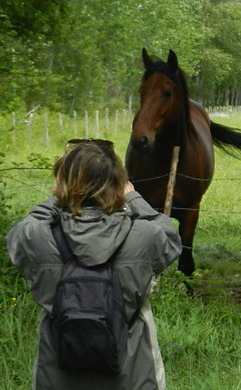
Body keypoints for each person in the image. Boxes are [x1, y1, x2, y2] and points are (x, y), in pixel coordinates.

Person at [5, 139, 182, 390]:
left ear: (62, 183)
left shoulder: (37, 238)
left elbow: (18, 234)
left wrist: (59, 198)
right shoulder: (143, 235)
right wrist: (133, 198)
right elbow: (171, 237)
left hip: (57, 378)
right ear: (118, 183)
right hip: (134, 377)